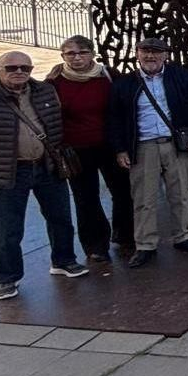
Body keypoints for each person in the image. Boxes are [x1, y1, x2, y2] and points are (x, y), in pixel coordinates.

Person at [0, 50, 87, 300]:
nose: (19, 72)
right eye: (11, 68)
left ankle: (64, 261)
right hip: (8, 171)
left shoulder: (46, 92)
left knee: (60, 217)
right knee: (7, 228)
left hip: (47, 166)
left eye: (25, 68)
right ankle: (7, 279)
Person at [107, 38, 188, 270]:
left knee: (180, 194)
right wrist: (120, 149)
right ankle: (145, 244)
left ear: (165, 55)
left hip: (177, 144)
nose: (150, 56)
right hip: (144, 146)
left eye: (156, 52)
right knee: (144, 199)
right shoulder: (125, 84)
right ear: (137, 54)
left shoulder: (181, 77)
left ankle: (182, 236)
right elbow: (114, 119)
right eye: (145, 51)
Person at [48, 35, 131, 263]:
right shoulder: (54, 82)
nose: (77, 58)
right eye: (70, 54)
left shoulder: (108, 76)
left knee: (123, 191)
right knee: (86, 198)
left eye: (82, 52)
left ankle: (125, 234)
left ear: (92, 54)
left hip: (110, 145)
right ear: (63, 56)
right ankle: (96, 245)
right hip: (76, 149)